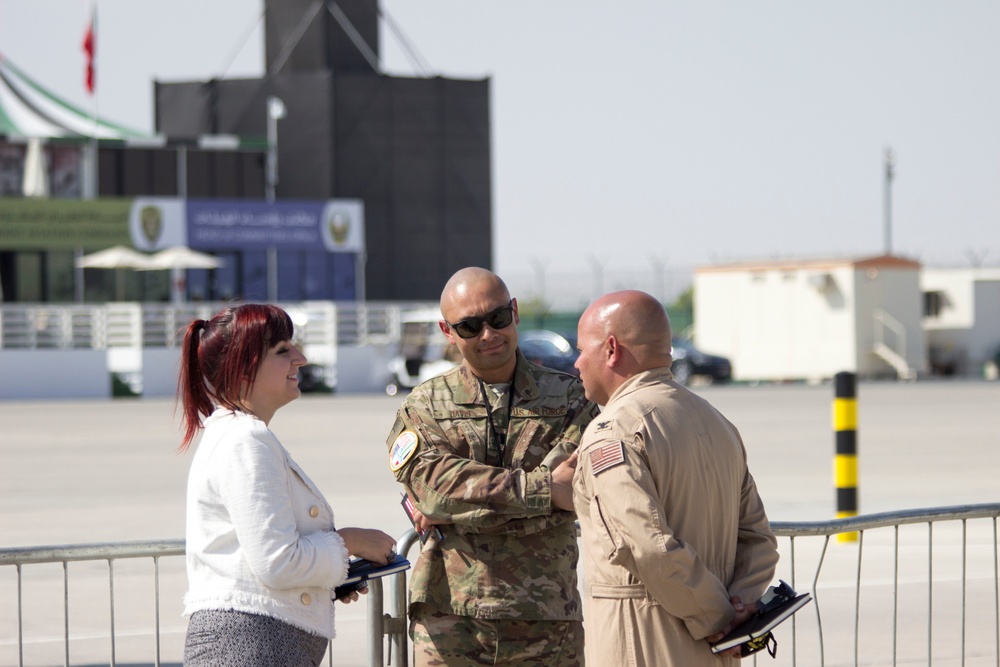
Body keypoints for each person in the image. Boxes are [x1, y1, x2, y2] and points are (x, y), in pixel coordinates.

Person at [385, 267, 601, 666]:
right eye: (469, 326)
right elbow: (434, 492)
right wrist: (543, 492)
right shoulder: (426, 405)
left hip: (545, 618)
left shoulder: (571, 398)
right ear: (447, 331)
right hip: (450, 621)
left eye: (498, 318)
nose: (488, 335)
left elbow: (578, 486)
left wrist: (462, 503)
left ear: (515, 312)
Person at [178, 303, 397, 666]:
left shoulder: (240, 436)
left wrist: (327, 579)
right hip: (250, 647)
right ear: (243, 368)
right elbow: (277, 563)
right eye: (283, 351)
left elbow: (257, 562)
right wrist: (351, 541)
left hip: (258, 643)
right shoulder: (245, 441)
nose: (301, 358)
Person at [571, 290, 780, 666]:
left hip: (643, 647)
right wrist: (739, 608)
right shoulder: (716, 422)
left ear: (611, 349)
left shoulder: (613, 431)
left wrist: (717, 617)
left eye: (582, 349)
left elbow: (646, 546)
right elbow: (759, 540)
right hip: (717, 653)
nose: (576, 363)